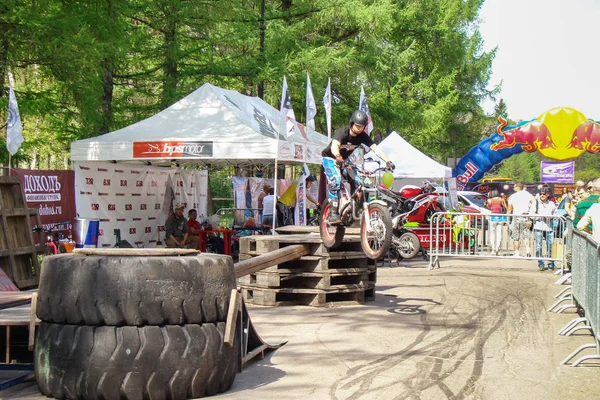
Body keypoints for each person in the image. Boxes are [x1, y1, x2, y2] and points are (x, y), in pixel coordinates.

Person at [321, 109, 395, 224]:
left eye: (362, 126)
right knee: (336, 180)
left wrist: (388, 161)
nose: (360, 129)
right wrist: (337, 156)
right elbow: (335, 146)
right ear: (352, 123)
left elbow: (375, 148)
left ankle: (353, 208)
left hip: (345, 160)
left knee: (359, 182)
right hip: (330, 158)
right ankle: (332, 213)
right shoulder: (343, 132)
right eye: (358, 126)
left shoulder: (362, 136)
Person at [529, 186, 557, 271]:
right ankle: (540, 263)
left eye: (544, 194)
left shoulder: (552, 204)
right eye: (540, 194)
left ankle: (551, 263)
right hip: (538, 227)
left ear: (547, 195)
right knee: (538, 246)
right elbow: (531, 214)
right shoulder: (536, 203)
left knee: (550, 246)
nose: (542, 195)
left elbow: (555, 215)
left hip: (549, 228)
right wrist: (540, 217)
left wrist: (551, 218)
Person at [507, 182, 534, 257]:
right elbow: (534, 203)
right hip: (526, 216)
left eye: (514, 187)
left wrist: (508, 219)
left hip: (516, 216)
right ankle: (528, 251)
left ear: (518, 187)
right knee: (527, 235)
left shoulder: (512, 196)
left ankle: (516, 252)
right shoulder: (528, 195)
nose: (514, 189)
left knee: (516, 236)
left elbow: (510, 209)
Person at [486, 189, 507, 255]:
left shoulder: (489, 200)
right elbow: (505, 207)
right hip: (500, 217)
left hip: (492, 217)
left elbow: (488, 207)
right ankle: (498, 247)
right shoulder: (501, 200)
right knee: (499, 233)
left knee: (492, 233)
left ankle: (493, 248)